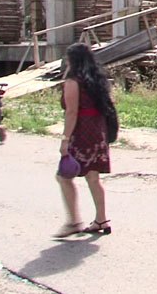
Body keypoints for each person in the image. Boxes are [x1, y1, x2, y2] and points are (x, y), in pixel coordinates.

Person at [54, 43, 115, 237]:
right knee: (93, 177)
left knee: (63, 176)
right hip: (98, 130)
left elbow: (72, 112)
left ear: (72, 60)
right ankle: (101, 219)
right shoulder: (97, 80)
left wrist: (65, 140)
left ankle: (73, 221)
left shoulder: (73, 81)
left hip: (82, 131)